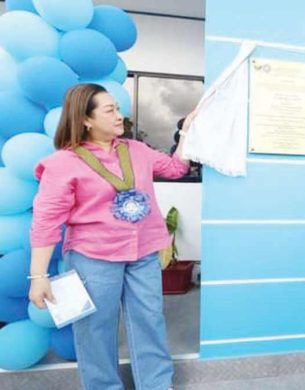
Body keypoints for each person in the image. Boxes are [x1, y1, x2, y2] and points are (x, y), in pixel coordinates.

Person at [28, 83, 194, 390]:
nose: (120, 116)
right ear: (86, 120)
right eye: (111, 110)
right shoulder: (63, 163)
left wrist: (186, 132)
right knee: (95, 329)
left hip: (143, 253)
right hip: (94, 256)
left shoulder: (137, 150)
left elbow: (174, 169)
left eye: (118, 109)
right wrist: (38, 275)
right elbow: (46, 221)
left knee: (150, 321)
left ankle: (156, 385)